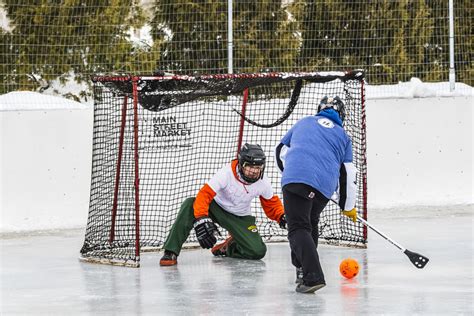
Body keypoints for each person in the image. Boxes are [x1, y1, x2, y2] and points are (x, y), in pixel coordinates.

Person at [275, 96, 358, 294]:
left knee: (298, 227)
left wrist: (291, 172)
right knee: (310, 222)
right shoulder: (344, 136)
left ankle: (312, 277)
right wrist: (348, 206)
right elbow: (348, 172)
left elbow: (281, 151)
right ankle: (302, 269)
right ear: (341, 114)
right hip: (323, 188)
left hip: (295, 180)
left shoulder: (304, 122)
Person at [160, 143, 287, 266]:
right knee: (190, 204)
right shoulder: (226, 173)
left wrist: (282, 217)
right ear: (241, 164)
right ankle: (170, 251)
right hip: (217, 209)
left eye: (258, 167)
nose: (254, 171)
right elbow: (205, 194)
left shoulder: (263, 182)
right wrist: (202, 218)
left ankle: (229, 246)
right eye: (250, 166)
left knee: (257, 251)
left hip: (241, 218)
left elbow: (271, 204)